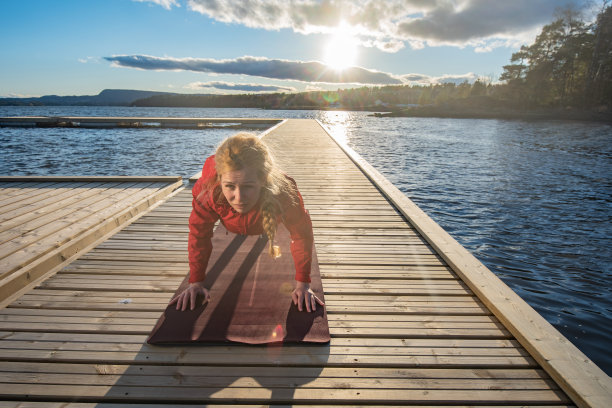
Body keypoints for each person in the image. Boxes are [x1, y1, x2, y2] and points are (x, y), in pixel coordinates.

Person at [169, 132, 324, 313]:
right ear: (220, 180)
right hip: (231, 222)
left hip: (266, 215)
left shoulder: (284, 192)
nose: (239, 198)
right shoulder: (207, 192)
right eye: (230, 187)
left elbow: (301, 235)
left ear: (263, 180)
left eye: (248, 186)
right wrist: (195, 283)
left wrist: (303, 284)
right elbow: (198, 235)